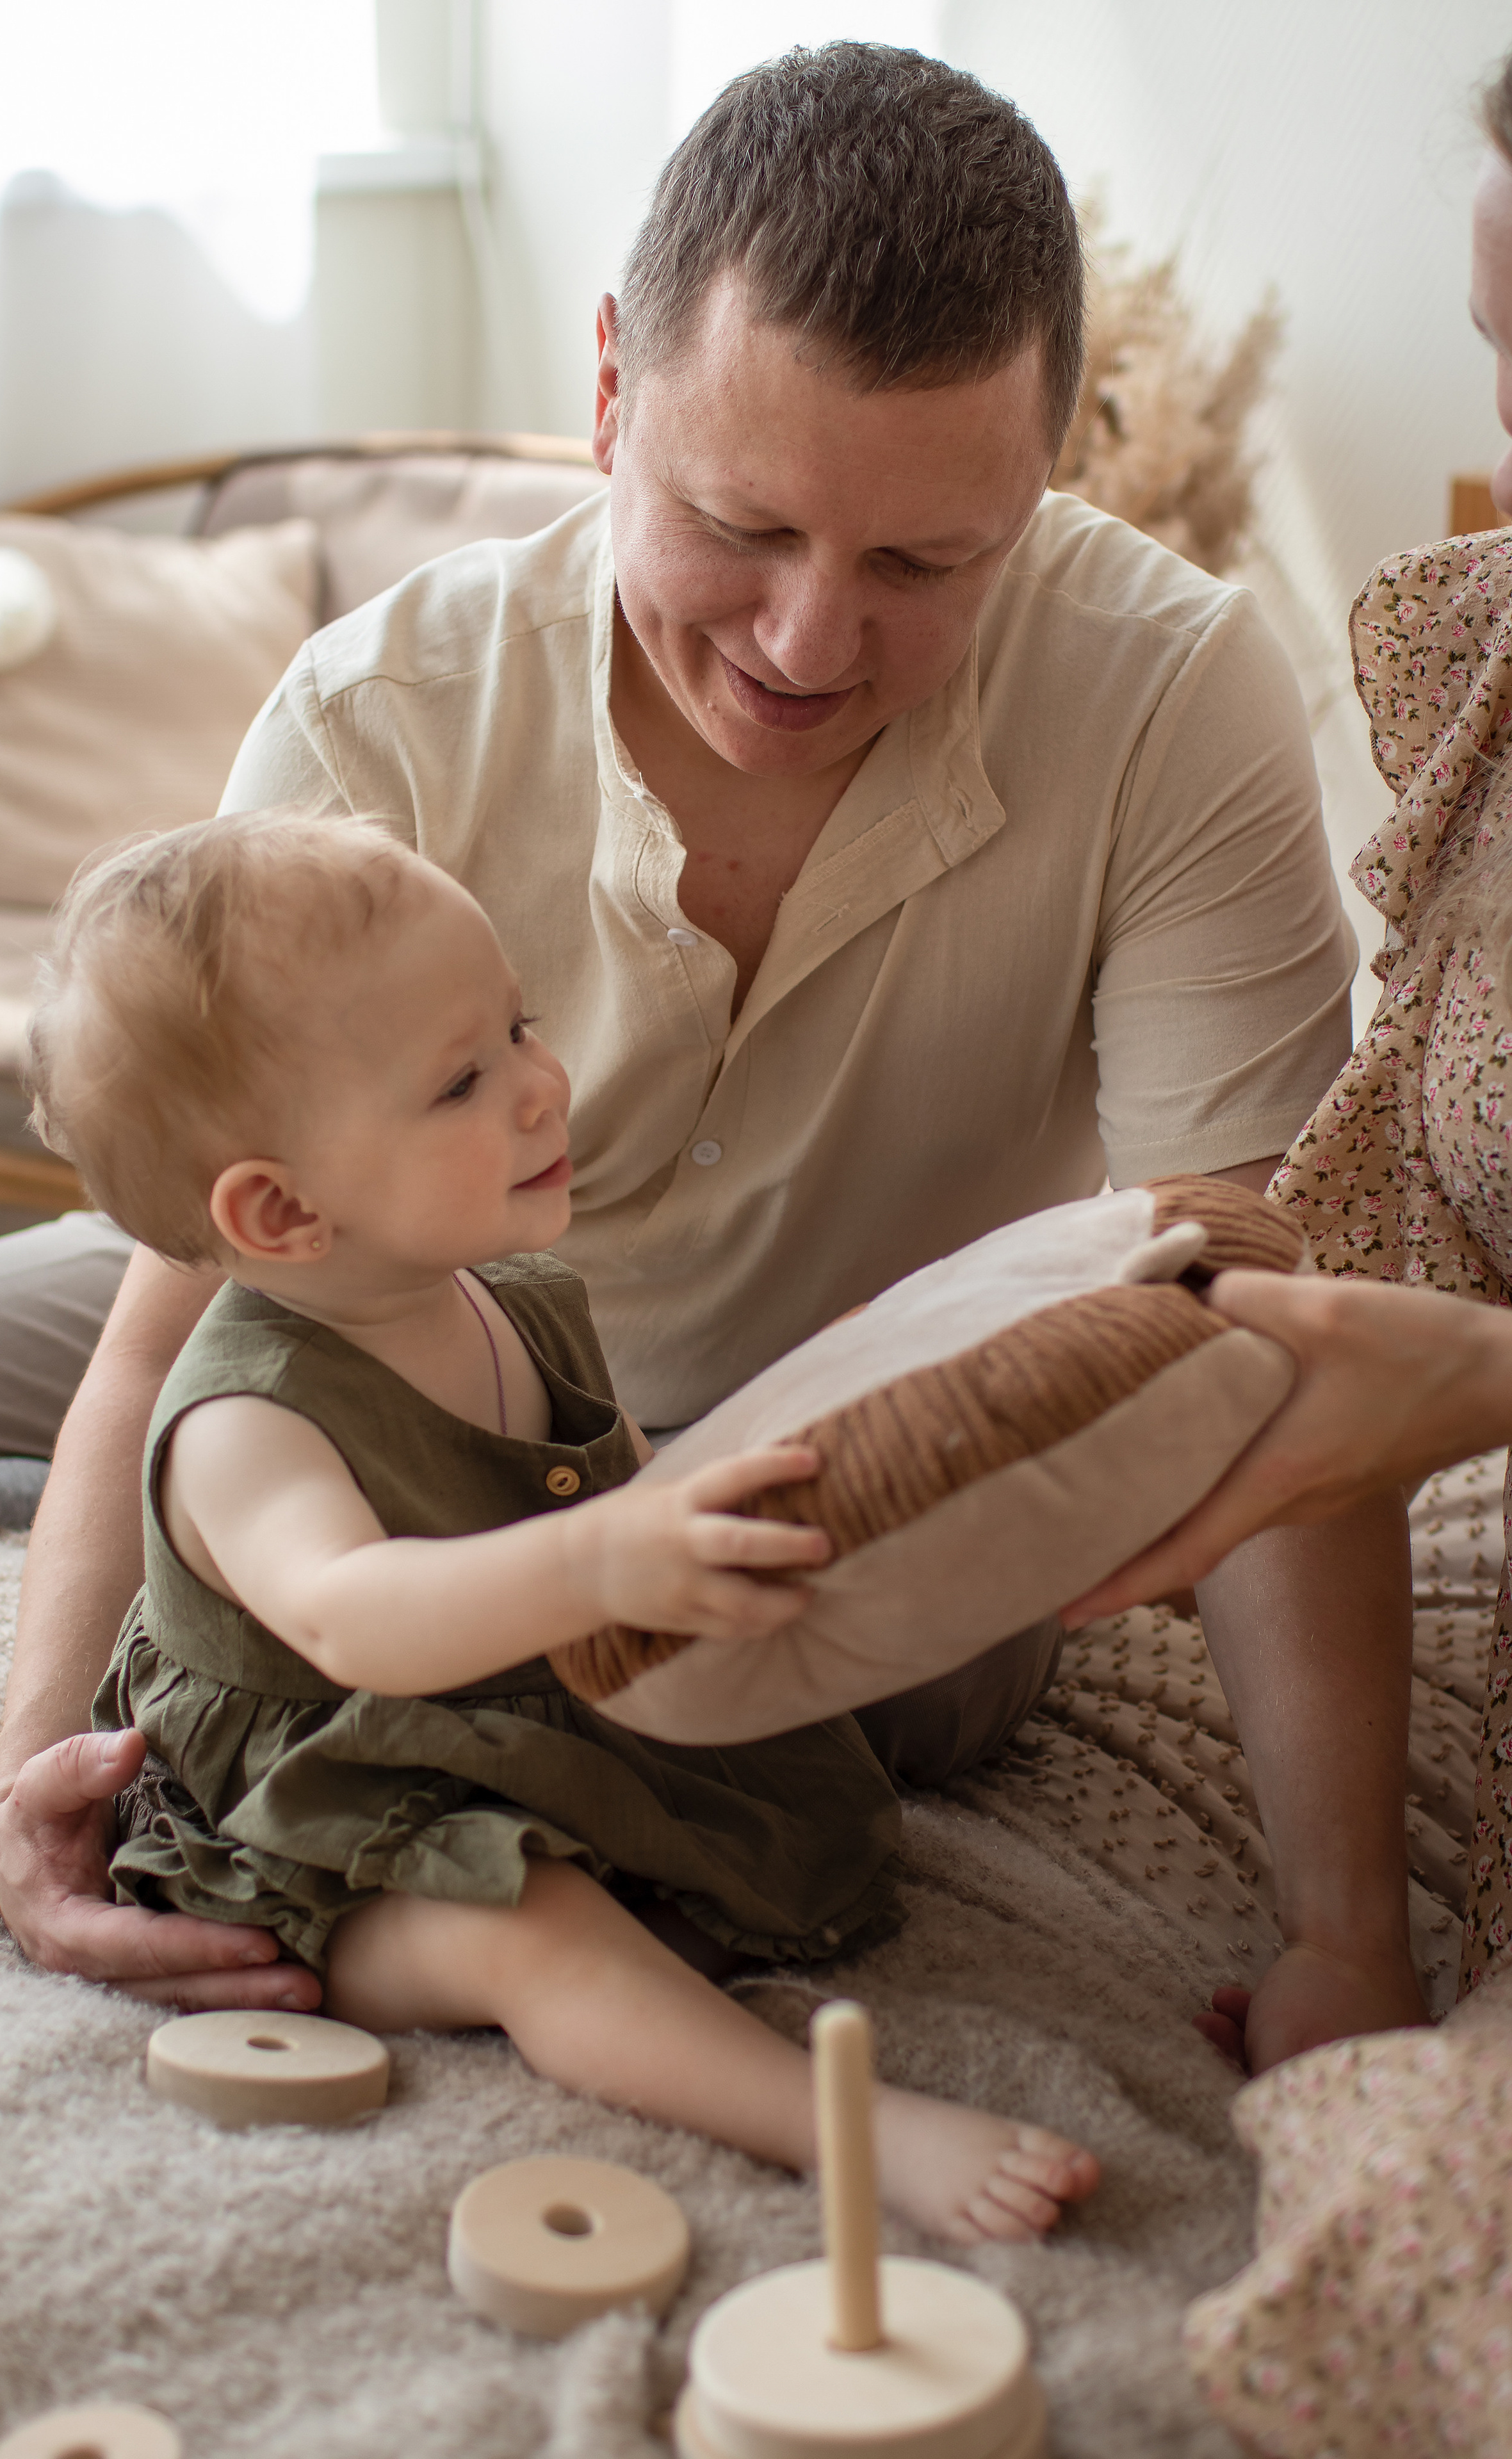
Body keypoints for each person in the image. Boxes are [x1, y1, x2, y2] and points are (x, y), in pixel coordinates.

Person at [0, 45, 1408, 2067]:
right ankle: (93, 1531)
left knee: (692, 1684)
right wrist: (32, 1770)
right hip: (381, 1324)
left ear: (1045, 483)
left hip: (778, 1516)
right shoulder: (380, 718)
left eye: (918, 565)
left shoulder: (1173, 693)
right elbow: (167, 1322)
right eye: (735, 521)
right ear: (610, 386)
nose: (802, 641)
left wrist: (1346, 1933)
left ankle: (175, 1550)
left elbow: (1259, 1318)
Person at [26, 805, 1100, 2243]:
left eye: (519, 1027)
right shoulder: (243, 1420)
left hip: (512, 1704)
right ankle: (853, 2132)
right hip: (330, 1811)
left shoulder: (512, 1295)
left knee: (752, 1790)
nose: (543, 1086)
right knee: (535, 1936)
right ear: (280, 1213)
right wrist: (599, 1559)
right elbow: (357, 1616)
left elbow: (620, 1486)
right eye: (462, 1080)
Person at [1058, 50, 1512, 2455]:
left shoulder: (1157, 681)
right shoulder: (1483, 670)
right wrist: (1352, 1928)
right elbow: (1353, 1270)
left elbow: (1451, 1351)